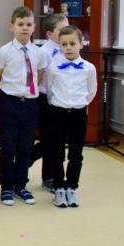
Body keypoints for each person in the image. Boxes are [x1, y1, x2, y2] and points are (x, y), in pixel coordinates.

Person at [0, 7, 47, 206]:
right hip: (9, 103)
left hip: (30, 104)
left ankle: (21, 185)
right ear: (12, 27)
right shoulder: (3, 52)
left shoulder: (39, 53)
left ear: (34, 27)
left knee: (25, 146)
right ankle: (6, 187)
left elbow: (39, 75)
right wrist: (10, 94)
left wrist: (27, 92)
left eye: (28, 25)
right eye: (20, 24)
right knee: (8, 147)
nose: (24, 28)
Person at [48, 26, 97, 208]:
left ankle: (71, 187)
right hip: (58, 112)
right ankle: (59, 187)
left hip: (78, 113)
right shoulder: (53, 67)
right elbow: (50, 90)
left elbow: (91, 91)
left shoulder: (89, 68)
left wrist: (79, 103)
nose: (68, 47)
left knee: (76, 153)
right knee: (56, 151)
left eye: (72, 43)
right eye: (64, 44)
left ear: (81, 44)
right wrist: (59, 103)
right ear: (60, 46)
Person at [30, 13, 69, 193]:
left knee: (58, 140)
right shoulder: (44, 52)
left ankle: (51, 177)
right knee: (50, 139)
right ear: (49, 34)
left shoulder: (67, 48)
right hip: (46, 99)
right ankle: (30, 160)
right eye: (62, 30)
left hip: (63, 100)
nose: (66, 32)